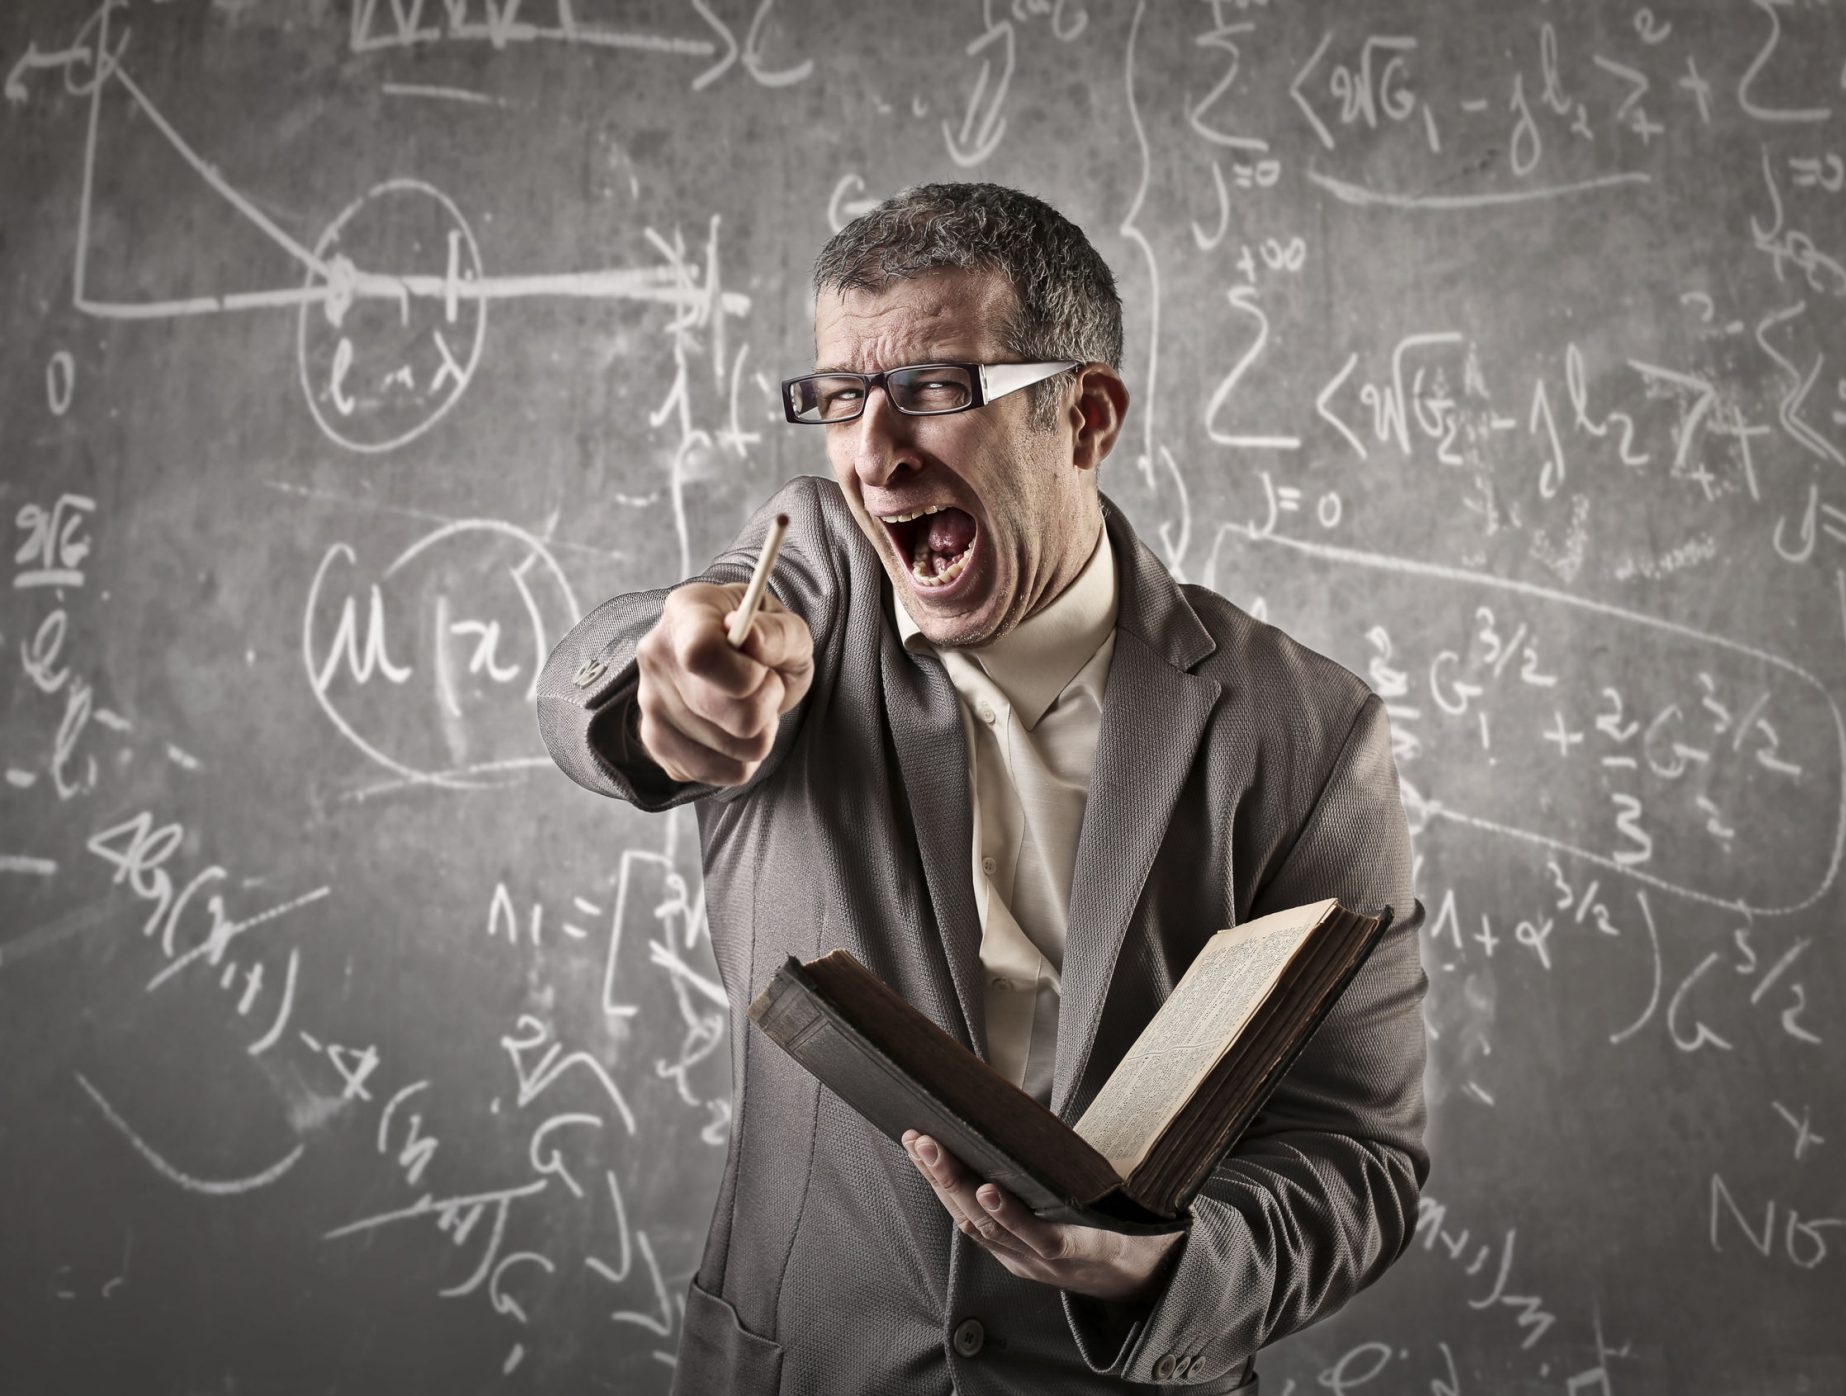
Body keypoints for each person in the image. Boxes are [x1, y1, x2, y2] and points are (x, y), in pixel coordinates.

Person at [537, 182, 1428, 1396]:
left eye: (935, 391)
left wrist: (1156, 1266)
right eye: (840, 400)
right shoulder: (812, 580)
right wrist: (662, 693)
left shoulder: (1302, 731)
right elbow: (637, 663)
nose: (872, 452)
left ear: (1085, 416)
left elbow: (1358, 1153)